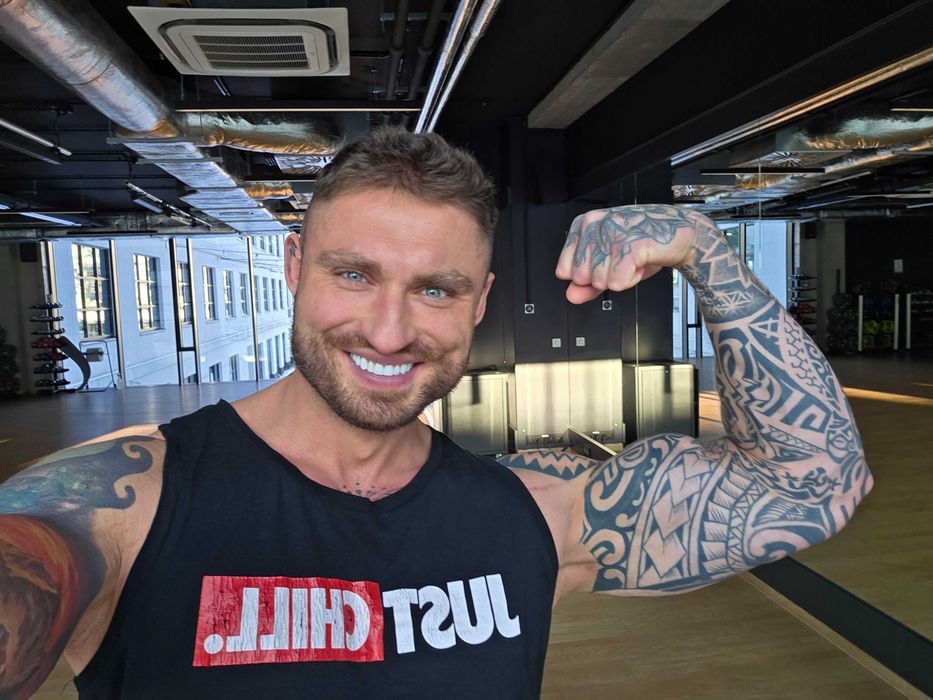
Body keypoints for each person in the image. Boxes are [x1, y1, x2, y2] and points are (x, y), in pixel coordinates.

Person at [0, 128, 872, 699]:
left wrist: (709, 253)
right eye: (354, 275)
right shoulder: (123, 504)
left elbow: (812, 484)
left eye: (434, 290)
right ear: (294, 267)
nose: (389, 330)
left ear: (479, 301)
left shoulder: (533, 512)